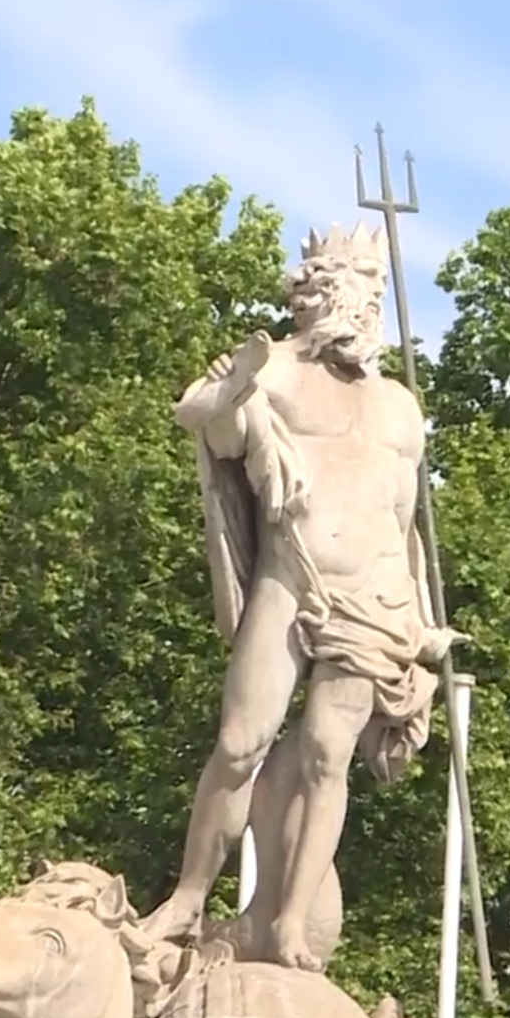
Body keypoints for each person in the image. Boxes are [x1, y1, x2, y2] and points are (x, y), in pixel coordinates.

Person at [141, 222, 459, 970]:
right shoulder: (276, 369)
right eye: (339, 289)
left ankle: (287, 923)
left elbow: (403, 526)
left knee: (325, 755)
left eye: (368, 293)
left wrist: (418, 626)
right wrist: (227, 388)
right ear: (313, 297)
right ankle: (188, 898)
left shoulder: (401, 410)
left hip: (375, 603)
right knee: (242, 741)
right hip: (293, 579)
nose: (354, 307)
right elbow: (203, 417)